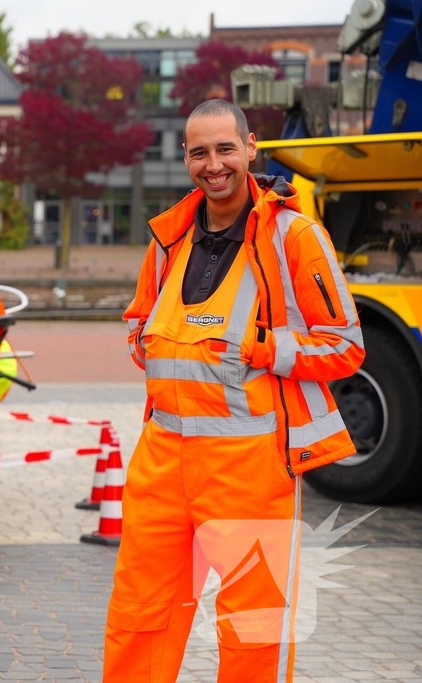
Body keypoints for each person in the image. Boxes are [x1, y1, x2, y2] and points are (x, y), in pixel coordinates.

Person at [104, 99, 364, 683]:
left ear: (250, 148)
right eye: (200, 152)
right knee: (139, 617)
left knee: (255, 627)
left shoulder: (295, 237)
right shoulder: (168, 240)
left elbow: (345, 345)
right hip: (161, 464)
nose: (213, 164)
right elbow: (140, 318)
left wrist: (265, 350)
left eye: (225, 149)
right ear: (185, 158)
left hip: (251, 466)